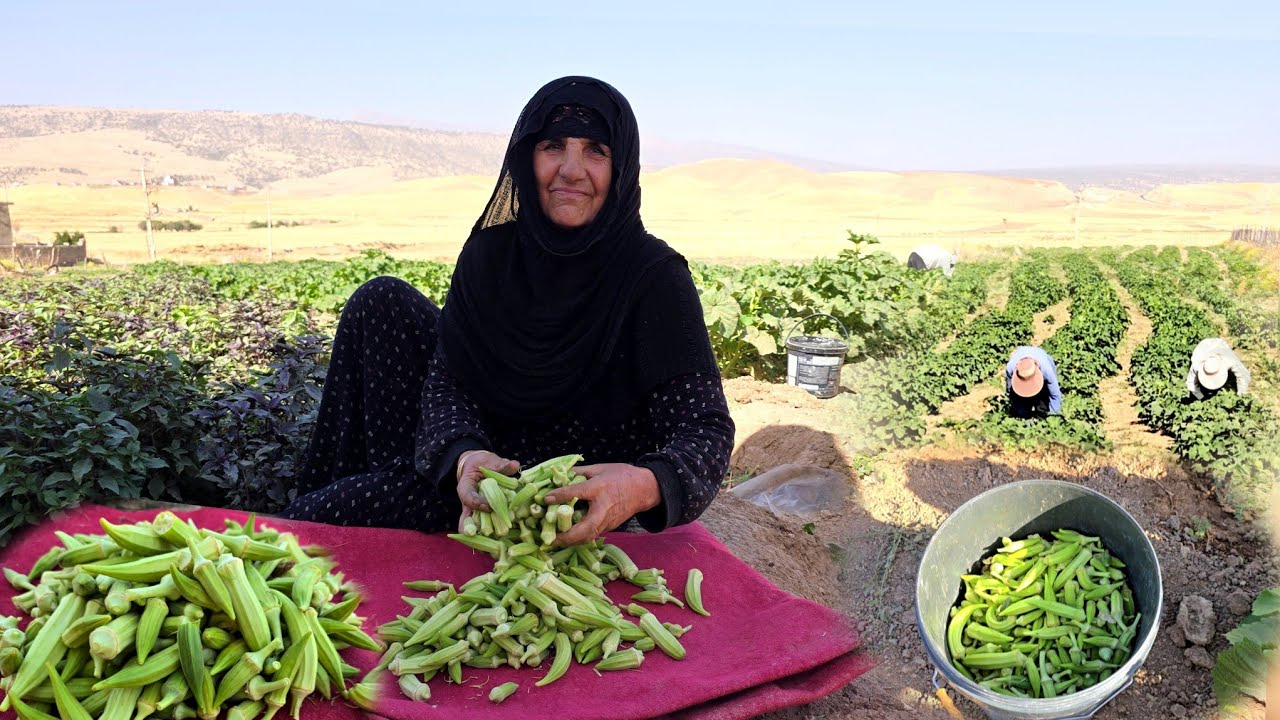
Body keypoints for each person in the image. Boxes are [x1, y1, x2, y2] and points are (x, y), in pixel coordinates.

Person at [279, 77, 735, 547]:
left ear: (621, 167)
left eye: (596, 150)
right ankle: (401, 479)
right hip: (481, 489)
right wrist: (463, 455)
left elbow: (704, 430)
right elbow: (449, 383)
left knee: (315, 522)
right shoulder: (489, 257)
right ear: (526, 157)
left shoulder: (654, 277)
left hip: (569, 505)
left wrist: (640, 486)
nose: (572, 170)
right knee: (381, 301)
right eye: (553, 146)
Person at [1004, 346, 1062, 418]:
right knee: (1021, 409)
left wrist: (1054, 415)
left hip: (1042, 356)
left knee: (1043, 402)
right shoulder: (1011, 367)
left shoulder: (1047, 370)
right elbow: (1010, 388)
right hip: (1022, 353)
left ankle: (1040, 415)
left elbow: (1055, 394)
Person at [1186, 337, 1250, 400]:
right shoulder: (1197, 364)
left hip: (1219, 345)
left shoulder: (1229, 361)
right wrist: (1201, 397)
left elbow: (1243, 375)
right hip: (1203, 347)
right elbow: (1191, 383)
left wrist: (1241, 396)